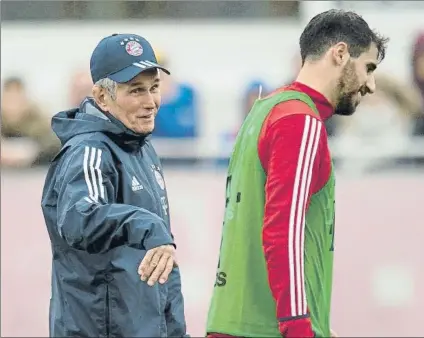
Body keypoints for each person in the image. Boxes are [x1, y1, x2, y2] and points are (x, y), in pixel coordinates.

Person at [206, 9, 388, 338]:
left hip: (235, 322)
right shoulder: (300, 120)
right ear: (341, 53)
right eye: (369, 68)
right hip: (268, 329)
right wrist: (298, 324)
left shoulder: (263, 111)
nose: (371, 85)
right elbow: (284, 230)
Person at [41, 33, 188, 337]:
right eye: (136, 91)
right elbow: (81, 217)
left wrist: (175, 331)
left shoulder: (143, 148)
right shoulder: (89, 150)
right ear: (102, 96)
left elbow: (162, 262)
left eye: (154, 88)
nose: (150, 102)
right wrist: (147, 226)